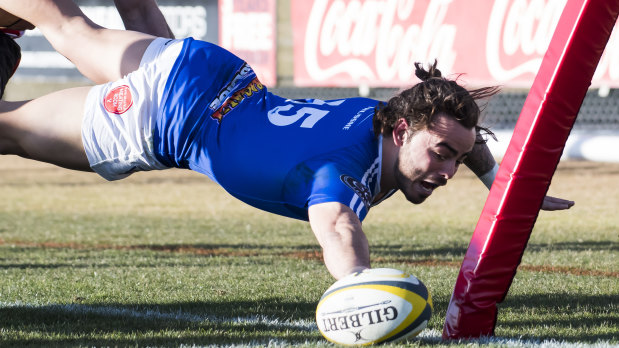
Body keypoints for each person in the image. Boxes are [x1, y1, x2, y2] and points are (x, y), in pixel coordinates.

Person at [0, 0, 574, 280]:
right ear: (402, 131)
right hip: (163, 117)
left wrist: (501, 177)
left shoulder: (387, 115)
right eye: (440, 157)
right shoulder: (346, 170)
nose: (446, 171)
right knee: (7, 131)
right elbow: (339, 227)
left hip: (205, 70)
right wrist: (361, 289)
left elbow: (456, 133)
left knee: (68, 26)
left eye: (451, 160)